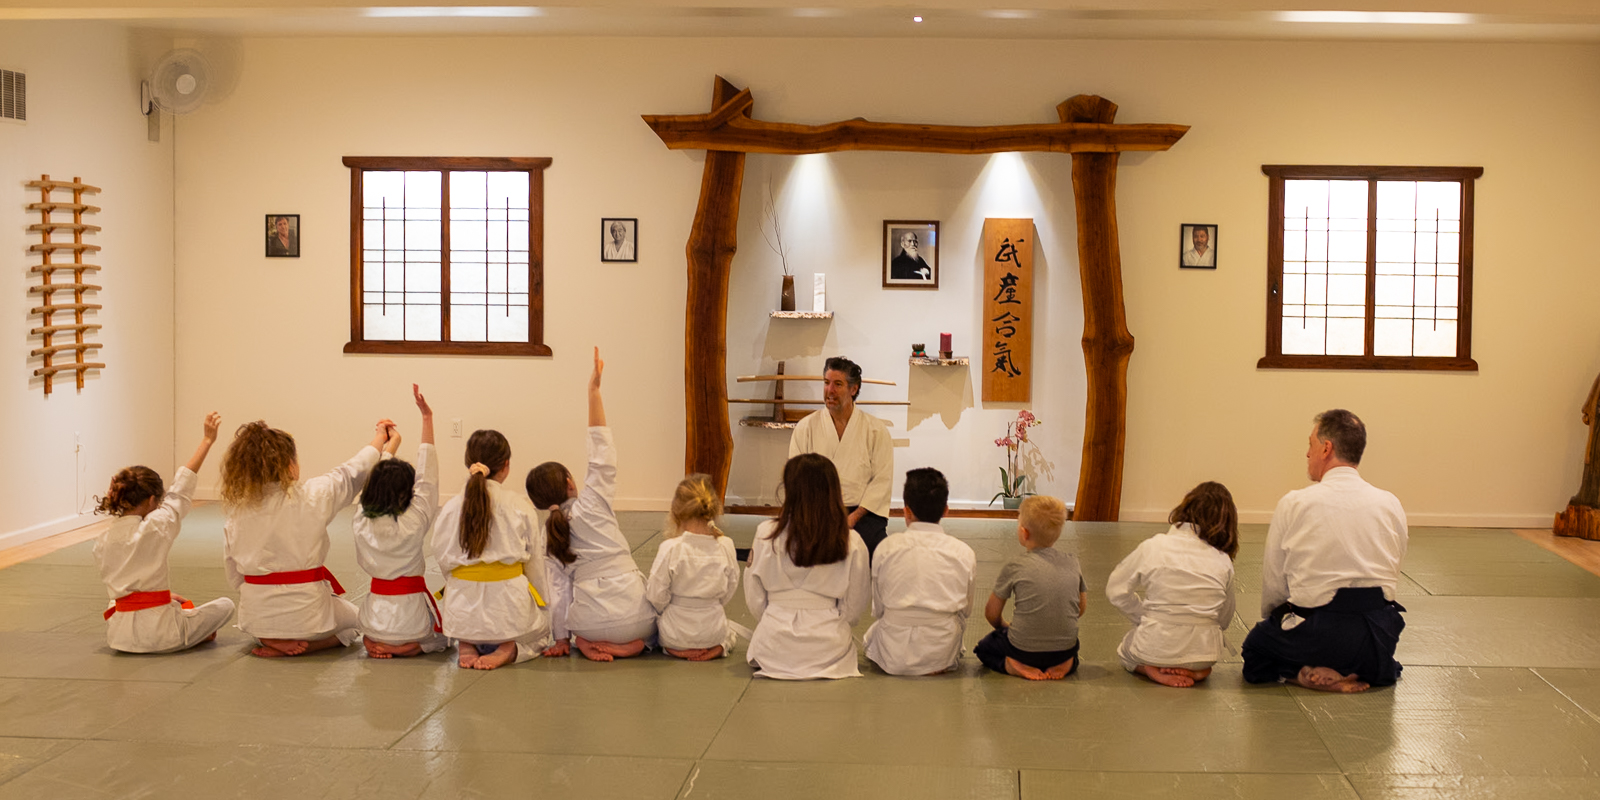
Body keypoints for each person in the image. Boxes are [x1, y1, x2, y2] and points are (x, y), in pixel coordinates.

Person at [1242, 409, 1408, 693]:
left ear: (1326, 448)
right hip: (1375, 638)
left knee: (1255, 650)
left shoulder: (1295, 503)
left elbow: (1274, 583)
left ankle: (1303, 675)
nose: (1307, 453)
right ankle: (1353, 672)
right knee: (1384, 665)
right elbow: (1394, 565)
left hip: (1314, 635)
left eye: (1310, 444)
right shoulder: (1389, 503)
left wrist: (1274, 622)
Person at [528, 347, 657, 662]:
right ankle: (639, 644)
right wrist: (594, 392)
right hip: (636, 618)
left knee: (579, 622)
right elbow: (601, 455)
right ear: (571, 483)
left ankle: (585, 642)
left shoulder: (549, 535)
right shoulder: (592, 504)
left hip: (591, 622)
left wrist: (561, 638)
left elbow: (557, 593)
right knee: (661, 619)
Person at [222, 418, 389, 658]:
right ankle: (310, 646)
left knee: (261, 621)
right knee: (358, 623)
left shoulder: (236, 513)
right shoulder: (313, 495)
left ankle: (271, 639)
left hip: (258, 620)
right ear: (290, 464)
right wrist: (380, 440)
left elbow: (235, 578)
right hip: (309, 619)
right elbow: (354, 471)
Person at [93, 412, 235, 654]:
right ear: (151, 500)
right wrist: (207, 440)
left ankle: (182, 620)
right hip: (163, 636)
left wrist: (165, 597)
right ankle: (193, 634)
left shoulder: (102, 541)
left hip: (119, 639)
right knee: (225, 605)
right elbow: (180, 490)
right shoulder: (157, 525)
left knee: (167, 603)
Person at [431, 428, 552, 670]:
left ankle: (466, 643)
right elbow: (535, 566)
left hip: (461, 613)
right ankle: (509, 647)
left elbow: (443, 559)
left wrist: (461, 584)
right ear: (506, 465)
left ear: (469, 463)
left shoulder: (451, 507)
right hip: (509, 614)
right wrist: (543, 604)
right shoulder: (519, 506)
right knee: (544, 633)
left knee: (466, 613)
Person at [744, 453, 871, 680]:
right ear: (833, 491)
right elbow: (855, 606)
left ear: (789, 490)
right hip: (829, 647)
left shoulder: (765, 534)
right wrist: (834, 620)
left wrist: (775, 616)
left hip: (773, 644)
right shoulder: (851, 541)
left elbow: (754, 598)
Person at [1106, 481, 1239, 688]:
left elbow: (1116, 590)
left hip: (1154, 647)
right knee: (1203, 658)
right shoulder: (1223, 560)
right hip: (1204, 653)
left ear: (1185, 508)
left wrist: (1142, 616)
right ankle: (1198, 672)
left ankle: (1149, 669)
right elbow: (1225, 617)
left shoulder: (1153, 546)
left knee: (1125, 652)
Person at [354, 384, 446, 659]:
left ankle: (374, 641)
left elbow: (378, 477)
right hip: (412, 622)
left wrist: (387, 444)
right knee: (448, 633)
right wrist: (427, 418)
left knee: (357, 622)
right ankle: (414, 645)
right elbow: (427, 477)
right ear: (408, 492)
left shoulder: (360, 518)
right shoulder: (415, 519)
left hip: (373, 619)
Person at [864, 467, 976, 676]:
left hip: (893, 652)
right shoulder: (963, 552)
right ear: (946, 511)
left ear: (906, 511)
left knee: (874, 631)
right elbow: (967, 611)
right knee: (954, 619)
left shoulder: (886, 548)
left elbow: (878, 608)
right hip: (941, 651)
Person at [788, 355, 893, 557]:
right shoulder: (806, 427)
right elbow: (795, 477)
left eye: (838, 384)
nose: (830, 391)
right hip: (816, 512)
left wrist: (853, 518)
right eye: (826, 383)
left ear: (853, 389)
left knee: (877, 553)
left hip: (863, 515)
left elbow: (882, 480)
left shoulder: (875, 430)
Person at [974, 495, 1086, 681]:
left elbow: (991, 612)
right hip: (1064, 648)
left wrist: (1004, 627)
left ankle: (1013, 665)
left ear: (1024, 533)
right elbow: (1080, 608)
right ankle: (1068, 662)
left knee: (984, 648)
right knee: (1071, 645)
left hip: (1022, 649)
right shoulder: (1073, 562)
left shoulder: (1015, 566)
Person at [645, 474, 744, 661]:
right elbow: (730, 588)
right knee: (729, 632)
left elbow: (655, 596)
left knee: (653, 627)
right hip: (713, 631)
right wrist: (710, 604)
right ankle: (718, 647)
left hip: (675, 633)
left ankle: (672, 649)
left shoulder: (670, 548)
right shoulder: (726, 545)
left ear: (676, 511)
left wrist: (672, 607)